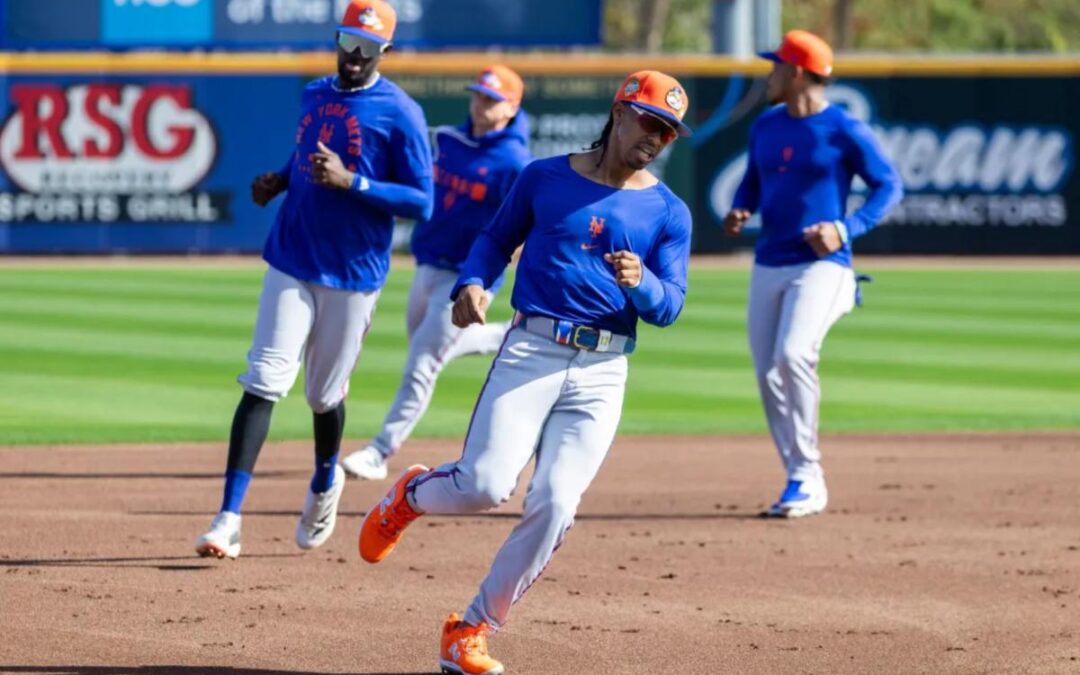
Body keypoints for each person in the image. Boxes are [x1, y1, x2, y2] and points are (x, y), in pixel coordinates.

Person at [356, 71, 693, 675]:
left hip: (604, 368)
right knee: (484, 486)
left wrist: (643, 284)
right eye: (650, 121)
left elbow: (669, 307)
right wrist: (472, 282)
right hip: (531, 350)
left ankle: (471, 629)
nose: (656, 137)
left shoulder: (669, 211)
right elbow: (494, 240)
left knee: (557, 503)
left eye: (668, 131)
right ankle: (410, 495)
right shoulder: (543, 177)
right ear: (619, 112)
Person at [194, 0, 433, 559]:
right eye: (349, 43)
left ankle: (327, 477)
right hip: (292, 256)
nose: (356, 56)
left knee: (323, 396)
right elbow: (304, 153)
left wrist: (354, 182)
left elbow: (422, 201)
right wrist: (279, 181)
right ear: (337, 40)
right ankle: (228, 518)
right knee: (263, 380)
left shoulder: (401, 113)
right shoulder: (315, 93)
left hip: (353, 273)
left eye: (368, 48)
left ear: (385, 52)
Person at [724, 30, 903, 519]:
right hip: (769, 261)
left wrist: (846, 229)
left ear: (797, 73)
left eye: (776, 66)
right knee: (767, 373)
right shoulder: (766, 125)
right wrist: (741, 207)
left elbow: (889, 185)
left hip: (822, 264)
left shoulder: (843, 127)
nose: (770, 75)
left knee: (793, 353)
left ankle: (807, 475)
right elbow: (753, 181)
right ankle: (798, 475)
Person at [340, 65, 532, 482]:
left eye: (492, 99)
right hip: (427, 263)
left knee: (423, 362)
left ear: (511, 108)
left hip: (467, 279)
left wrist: (499, 267)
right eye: (478, 94)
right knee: (425, 349)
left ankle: (379, 451)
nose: (480, 104)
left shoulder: (515, 163)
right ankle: (507, 334)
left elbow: (525, 223)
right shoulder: (447, 139)